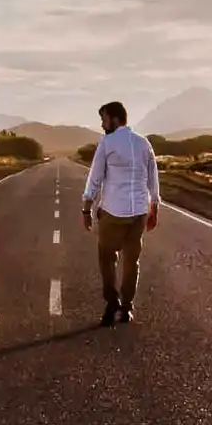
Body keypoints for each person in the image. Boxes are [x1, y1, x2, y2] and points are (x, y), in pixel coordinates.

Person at [80, 100, 159, 327]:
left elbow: (95, 178)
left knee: (107, 257)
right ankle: (127, 308)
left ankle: (112, 302)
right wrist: (155, 206)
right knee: (131, 261)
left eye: (104, 120)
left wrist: (86, 207)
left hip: (114, 211)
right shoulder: (144, 143)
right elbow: (153, 177)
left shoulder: (108, 142)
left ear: (115, 119)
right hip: (139, 213)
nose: (103, 125)